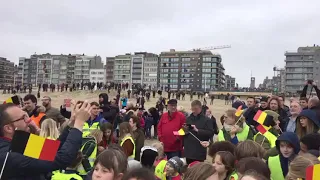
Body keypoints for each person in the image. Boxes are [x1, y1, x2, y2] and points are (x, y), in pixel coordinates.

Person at [0, 101, 91, 179]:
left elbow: (54, 149)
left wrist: (72, 123)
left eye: (26, 116)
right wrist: (79, 123)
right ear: (8, 128)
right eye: (23, 118)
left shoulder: (18, 141)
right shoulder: (8, 155)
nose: (29, 120)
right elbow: (63, 159)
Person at [184, 100, 214, 164]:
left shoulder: (207, 120)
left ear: (200, 108)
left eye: (196, 109)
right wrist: (184, 131)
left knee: (198, 170)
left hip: (199, 151)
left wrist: (197, 130)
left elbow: (210, 133)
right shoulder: (188, 119)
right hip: (188, 150)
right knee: (189, 170)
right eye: (192, 109)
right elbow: (186, 132)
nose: (194, 111)